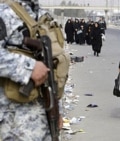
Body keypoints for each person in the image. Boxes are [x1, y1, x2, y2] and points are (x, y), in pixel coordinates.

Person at [0, 0, 63, 140]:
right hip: (14, 123)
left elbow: (52, 70)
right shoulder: (4, 12)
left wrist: (58, 109)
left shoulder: (42, 16)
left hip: (44, 120)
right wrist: (29, 68)